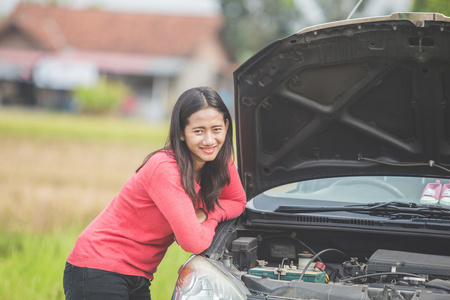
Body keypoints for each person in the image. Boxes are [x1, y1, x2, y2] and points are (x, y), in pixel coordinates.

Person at [63, 86, 247, 300]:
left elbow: (238, 200)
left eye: (216, 129)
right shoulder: (165, 168)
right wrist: (209, 214)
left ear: (226, 126)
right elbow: (193, 242)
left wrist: (208, 214)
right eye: (198, 131)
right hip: (99, 267)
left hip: (138, 275)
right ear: (180, 132)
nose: (209, 140)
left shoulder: (220, 161)